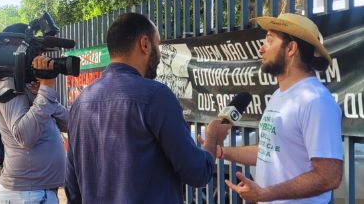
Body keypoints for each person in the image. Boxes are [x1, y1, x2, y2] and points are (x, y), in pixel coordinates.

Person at [66, 13, 219, 203]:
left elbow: (73, 189)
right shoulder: (156, 96)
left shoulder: (80, 103)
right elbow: (197, 173)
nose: (160, 54)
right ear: (145, 44)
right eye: (158, 44)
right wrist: (212, 139)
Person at [215, 13, 342, 203]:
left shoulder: (316, 101)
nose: (261, 48)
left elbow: (329, 176)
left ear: (291, 48)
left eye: (270, 40)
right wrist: (222, 152)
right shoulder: (279, 95)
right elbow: (268, 150)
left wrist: (266, 194)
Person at [0, 54, 68, 203]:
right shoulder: (8, 85)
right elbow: (24, 137)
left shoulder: (32, 89)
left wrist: (45, 94)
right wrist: (46, 89)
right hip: (27, 194)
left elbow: (71, 123)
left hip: (37, 192)